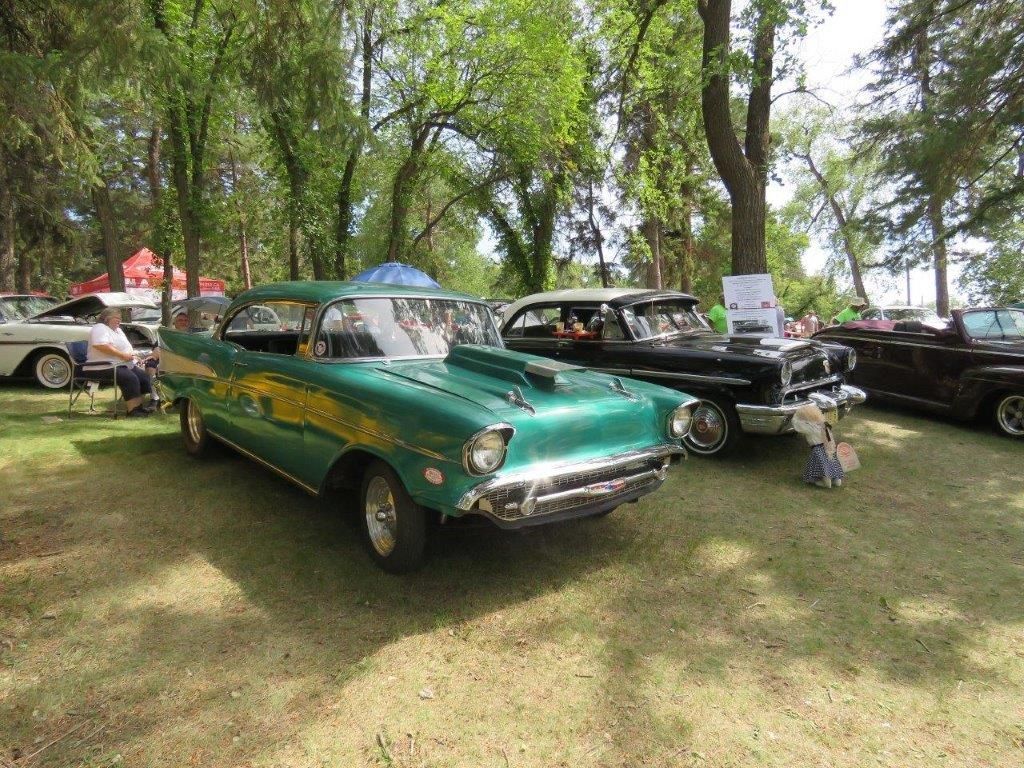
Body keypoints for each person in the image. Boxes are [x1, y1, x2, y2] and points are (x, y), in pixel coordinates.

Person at [86, 307, 157, 417]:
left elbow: (126, 347)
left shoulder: (118, 330)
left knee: (143, 377)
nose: (119, 320)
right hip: (102, 366)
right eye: (117, 318)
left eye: (120, 318)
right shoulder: (99, 328)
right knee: (129, 377)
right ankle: (133, 411)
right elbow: (100, 345)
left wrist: (133, 356)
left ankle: (138, 407)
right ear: (106, 318)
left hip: (121, 364)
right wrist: (122, 355)